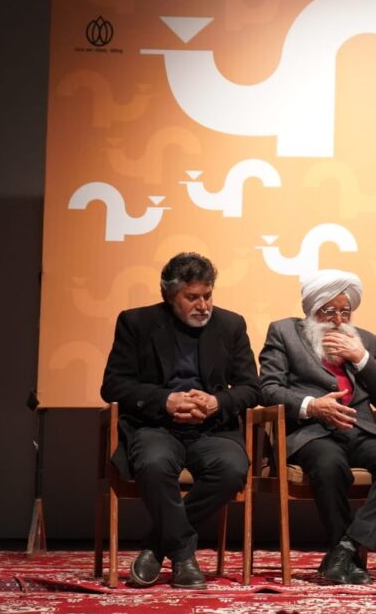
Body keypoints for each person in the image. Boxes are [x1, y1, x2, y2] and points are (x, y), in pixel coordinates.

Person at [101, 252, 259, 588]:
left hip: (211, 429)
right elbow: (113, 385)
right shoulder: (136, 322)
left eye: (208, 295)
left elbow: (251, 388)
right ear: (170, 295)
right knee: (154, 465)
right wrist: (165, 400)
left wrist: (217, 402)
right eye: (192, 297)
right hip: (156, 426)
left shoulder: (231, 325)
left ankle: (157, 546)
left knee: (232, 469)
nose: (203, 305)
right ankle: (185, 558)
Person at [258, 269, 376, 585]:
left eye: (345, 312)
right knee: (329, 464)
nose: (337, 320)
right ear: (312, 310)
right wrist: (312, 405)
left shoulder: (366, 341)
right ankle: (346, 553)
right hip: (312, 431)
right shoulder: (284, 332)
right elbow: (268, 388)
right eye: (328, 311)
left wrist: (361, 358)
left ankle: (346, 548)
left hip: (359, 429)